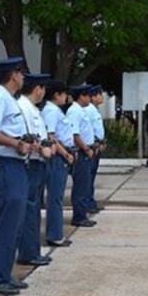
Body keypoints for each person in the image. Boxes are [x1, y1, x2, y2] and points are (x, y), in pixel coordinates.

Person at [0, 57, 33, 296]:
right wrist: (15, 143)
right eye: (21, 73)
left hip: (16, 163)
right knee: (6, 222)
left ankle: (4, 273)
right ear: (13, 75)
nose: (23, 77)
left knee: (14, 222)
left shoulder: (9, 100)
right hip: (5, 163)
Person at [16, 73, 54, 268]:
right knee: (30, 209)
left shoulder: (33, 109)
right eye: (43, 88)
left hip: (38, 163)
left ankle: (32, 250)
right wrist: (42, 148)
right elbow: (29, 138)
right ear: (37, 89)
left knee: (34, 208)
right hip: (32, 163)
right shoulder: (24, 107)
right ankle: (28, 252)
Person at [41, 82, 74, 248]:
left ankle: (56, 232)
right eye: (63, 94)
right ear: (56, 95)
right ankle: (54, 235)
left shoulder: (55, 110)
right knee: (55, 197)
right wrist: (65, 153)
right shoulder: (51, 111)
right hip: (57, 157)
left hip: (61, 155)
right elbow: (51, 136)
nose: (65, 97)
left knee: (58, 197)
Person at [66, 85, 98, 228]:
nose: (90, 99)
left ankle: (82, 213)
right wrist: (85, 148)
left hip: (87, 151)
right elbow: (74, 134)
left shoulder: (81, 110)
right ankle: (79, 216)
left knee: (85, 184)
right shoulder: (74, 111)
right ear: (81, 96)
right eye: (87, 96)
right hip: (81, 152)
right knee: (80, 185)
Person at [86, 86, 106, 212]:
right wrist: (96, 143)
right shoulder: (89, 110)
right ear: (93, 97)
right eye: (99, 94)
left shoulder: (95, 109)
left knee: (91, 176)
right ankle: (88, 202)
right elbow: (88, 129)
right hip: (92, 147)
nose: (102, 97)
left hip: (97, 145)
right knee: (88, 176)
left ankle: (90, 200)